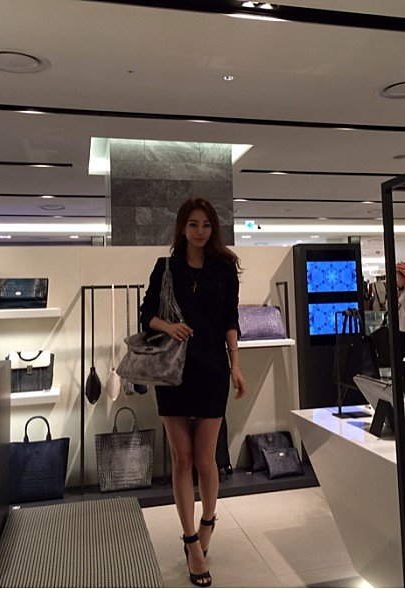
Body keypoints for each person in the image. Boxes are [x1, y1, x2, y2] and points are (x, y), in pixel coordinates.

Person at [140, 197, 247, 587]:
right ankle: (191, 542)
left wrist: (236, 365)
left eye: (205, 224)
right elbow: (146, 314)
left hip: (213, 370)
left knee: (206, 459)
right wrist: (169, 327)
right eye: (192, 224)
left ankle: (208, 521)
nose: (200, 231)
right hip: (173, 373)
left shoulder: (224, 268)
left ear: (212, 228)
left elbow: (230, 319)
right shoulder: (166, 267)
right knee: (181, 459)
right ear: (182, 228)